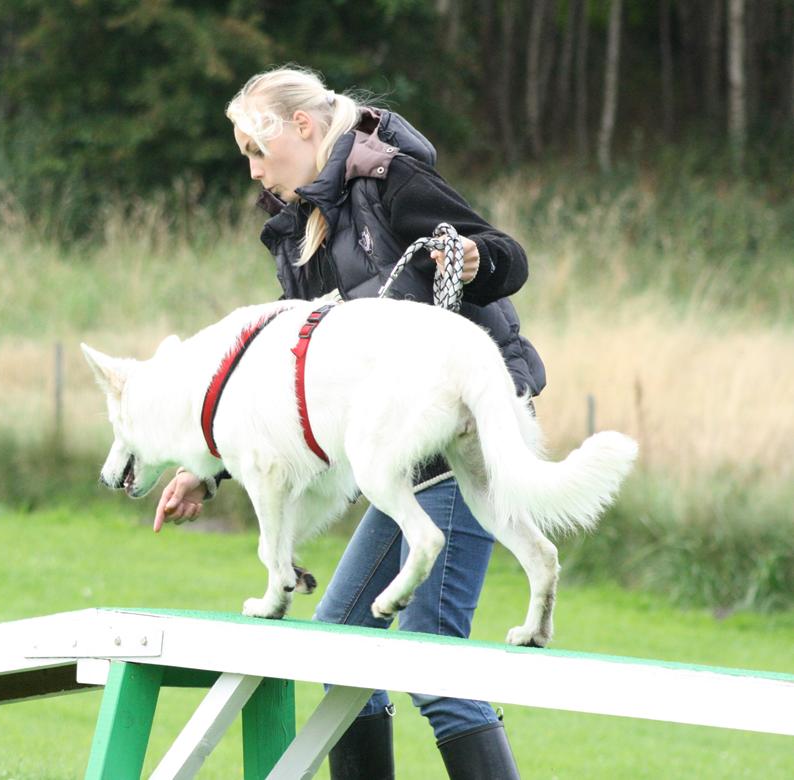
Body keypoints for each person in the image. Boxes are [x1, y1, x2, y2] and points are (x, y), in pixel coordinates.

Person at [153, 65, 545, 780]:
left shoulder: (389, 180)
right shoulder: (294, 233)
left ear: (303, 128)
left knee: (434, 659)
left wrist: (470, 254)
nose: (252, 171)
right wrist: (201, 469)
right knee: (338, 646)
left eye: (255, 150)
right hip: (401, 463)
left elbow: (508, 258)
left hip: (463, 443)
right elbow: (279, 387)